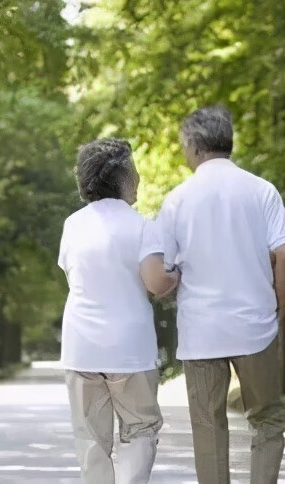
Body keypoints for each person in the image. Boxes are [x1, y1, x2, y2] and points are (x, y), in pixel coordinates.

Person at [154, 105, 285, 484]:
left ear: (194, 146)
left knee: (207, 424)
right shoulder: (262, 190)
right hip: (256, 327)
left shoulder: (176, 200)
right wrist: (281, 304)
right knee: (266, 420)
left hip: (202, 332)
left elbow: (164, 270)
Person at [57, 138, 178, 484]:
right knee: (140, 430)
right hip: (130, 350)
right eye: (134, 170)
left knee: (92, 441)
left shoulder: (72, 225)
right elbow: (156, 283)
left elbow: (73, 274)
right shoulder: (142, 225)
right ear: (123, 177)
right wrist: (177, 274)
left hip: (81, 348)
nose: (138, 178)